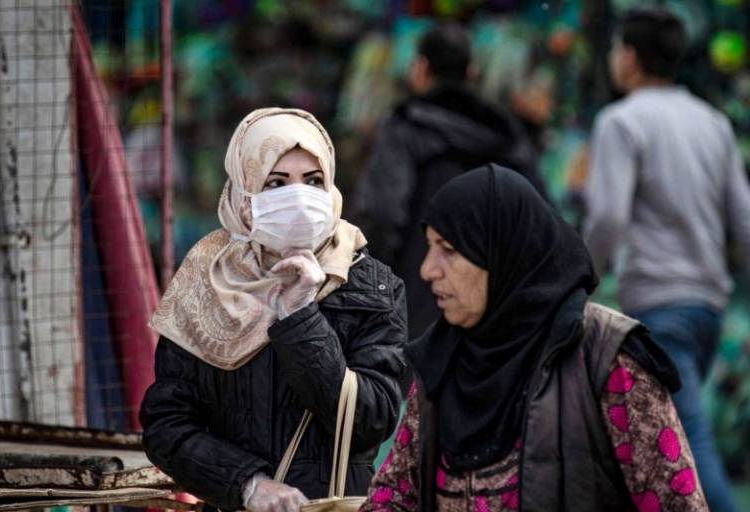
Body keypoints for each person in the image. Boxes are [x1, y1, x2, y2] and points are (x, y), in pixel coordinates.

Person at [362, 165, 708, 512]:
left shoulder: (604, 359)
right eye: (430, 247)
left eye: (449, 249)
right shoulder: (441, 361)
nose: (428, 269)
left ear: (503, 253)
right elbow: (393, 497)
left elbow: (678, 506)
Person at [139, 108, 408, 512]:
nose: (298, 199)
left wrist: (301, 318)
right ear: (244, 192)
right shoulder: (206, 280)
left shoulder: (371, 285)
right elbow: (167, 427)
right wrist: (249, 485)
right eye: (276, 183)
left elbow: (371, 423)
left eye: (313, 181)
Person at [583, 9, 750, 512]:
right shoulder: (712, 122)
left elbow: (608, 216)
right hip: (708, 307)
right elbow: (744, 219)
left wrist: (581, 279)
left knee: (685, 446)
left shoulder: (621, 120)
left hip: (659, 306)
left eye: (617, 49)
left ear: (631, 57)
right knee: (659, 442)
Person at [354, 22, 549, 343]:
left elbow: (381, 212)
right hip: (493, 318)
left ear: (420, 69)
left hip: (415, 308)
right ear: (472, 73)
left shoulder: (406, 128)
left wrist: (373, 286)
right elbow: (540, 224)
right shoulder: (506, 136)